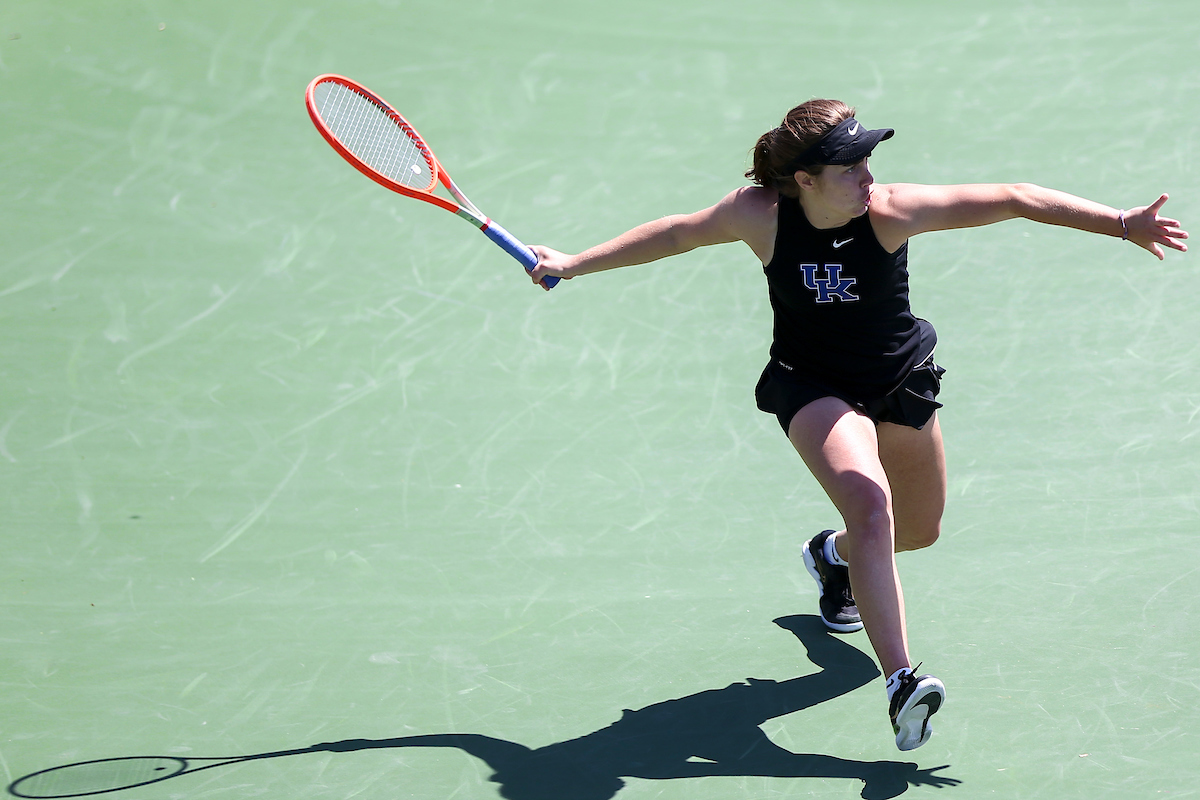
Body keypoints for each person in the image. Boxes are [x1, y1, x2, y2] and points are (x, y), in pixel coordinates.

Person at [526, 99, 1188, 751]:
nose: (868, 178)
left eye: (869, 162)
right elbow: (676, 232)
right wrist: (572, 263)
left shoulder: (892, 212)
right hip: (814, 386)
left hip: (899, 381)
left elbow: (1014, 197)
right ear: (805, 181)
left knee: (918, 530)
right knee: (873, 506)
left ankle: (832, 556)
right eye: (850, 169)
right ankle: (902, 680)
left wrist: (1122, 222)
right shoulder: (759, 216)